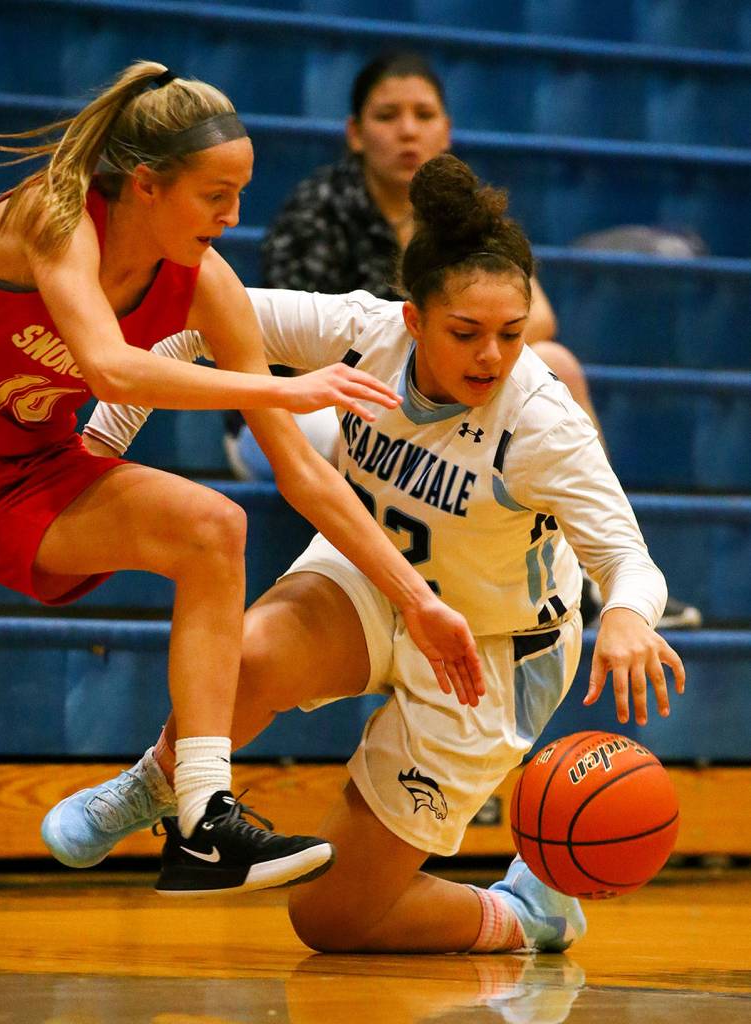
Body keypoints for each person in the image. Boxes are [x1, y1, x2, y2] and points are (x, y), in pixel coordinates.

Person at [43, 154, 685, 953]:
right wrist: (105, 436)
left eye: (511, 336)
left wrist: (625, 616)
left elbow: (629, 557)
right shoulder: (363, 330)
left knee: (331, 920)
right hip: (373, 581)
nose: (491, 356)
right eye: (466, 333)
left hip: (490, 650)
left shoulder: (543, 426)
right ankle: (151, 787)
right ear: (412, 320)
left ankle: (526, 915)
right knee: (247, 655)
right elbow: (192, 313)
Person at [0, 63, 485, 895]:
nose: (234, 218)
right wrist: (279, 384)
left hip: (25, 469)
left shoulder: (207, 287)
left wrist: (417, 601)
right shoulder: (50, 217)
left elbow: (305, 476)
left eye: (242, 193)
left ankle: (201, 818)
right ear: (148, 186)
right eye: (215, 195)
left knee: (214, 528)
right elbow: (111, 368)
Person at [256, 50, 701, 631]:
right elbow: (290, 345)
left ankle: (597, 586)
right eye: (388, 115)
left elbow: (538, 314)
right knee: (378, 408)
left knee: (556, 365)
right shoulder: (318, 213)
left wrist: (461, 334)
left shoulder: (471, 222)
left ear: (447, 128)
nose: (408, 129)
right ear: (356, 134)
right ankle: (396, 583)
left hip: (423, 392)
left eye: (424, 113)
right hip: (305, 395)